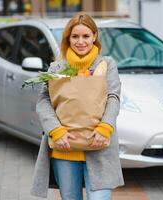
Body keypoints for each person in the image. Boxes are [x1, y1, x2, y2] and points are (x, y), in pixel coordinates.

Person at [31, 13, 124, 200]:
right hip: (65, 147)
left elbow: (113, 97)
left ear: (94, 37)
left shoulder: (106, 64)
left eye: (86, 36)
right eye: (75, 36)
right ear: (68, 38)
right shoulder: (56, 68)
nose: (80, 41)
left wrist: (105, 128)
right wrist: (56, 131)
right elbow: (44, 100)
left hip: (99, 145)